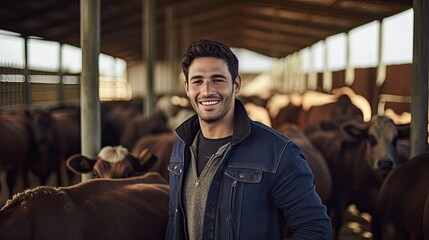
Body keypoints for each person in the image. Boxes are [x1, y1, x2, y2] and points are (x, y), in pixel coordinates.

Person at [166, 39, 332, 240]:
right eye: (197, 81)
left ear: (236, 84)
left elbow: (315, 228)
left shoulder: (278, 153)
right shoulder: (181, 147)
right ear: (187, 88)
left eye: (218, 80)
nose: (207, 90)